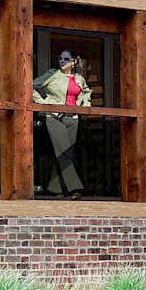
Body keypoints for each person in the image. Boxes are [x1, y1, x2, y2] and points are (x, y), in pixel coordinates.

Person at [34, 49, 85, 195]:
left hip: (73, 118)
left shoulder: (79, 79)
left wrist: (84, 107)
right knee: (65, 154)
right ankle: (75, 188)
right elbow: (31, 86)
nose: (62, 61)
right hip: (55, 118)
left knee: (64, 154)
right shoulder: (53, 74)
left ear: (74, 62)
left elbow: (86, 92)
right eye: (60, 58)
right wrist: (44, 102)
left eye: (66, 59)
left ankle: (55, 188)